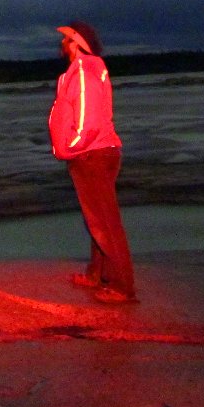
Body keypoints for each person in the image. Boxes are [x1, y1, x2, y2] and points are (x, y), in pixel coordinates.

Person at [47, 21, 137, 303]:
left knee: (105, 222)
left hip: (92, 153)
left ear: (77, 42)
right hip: (93, 152)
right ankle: (96, 273)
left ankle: (123, 287)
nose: (61, 43)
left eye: (65, 39)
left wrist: (70, 148)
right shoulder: (78, 72)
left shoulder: (85, 71)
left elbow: (88, 120)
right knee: (96, 218)